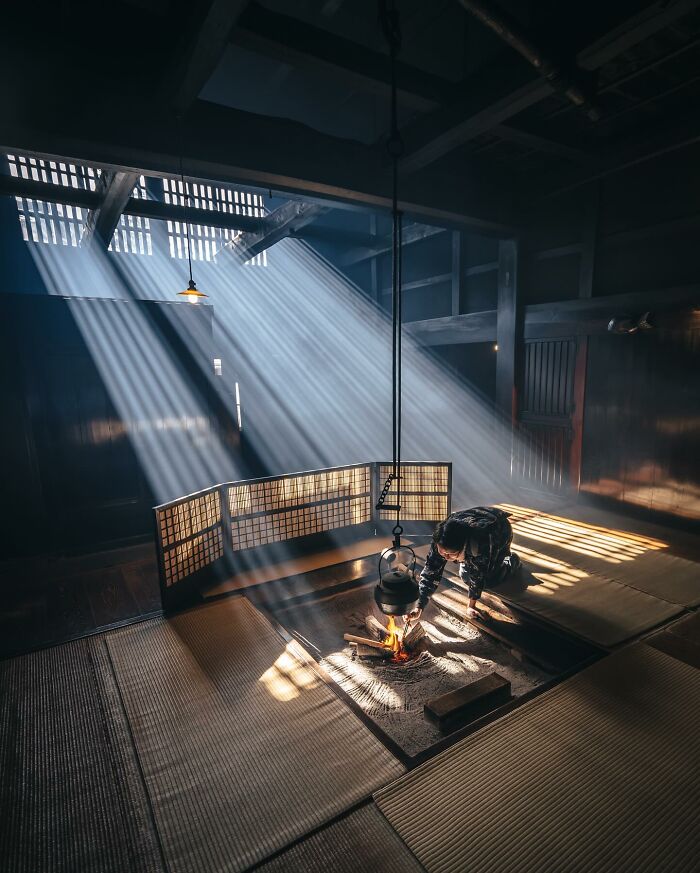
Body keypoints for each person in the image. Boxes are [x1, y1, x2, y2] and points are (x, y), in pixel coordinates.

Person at [406, 506, 520, 622]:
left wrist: (471, 606)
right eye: (442, 552)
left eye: (450, 554)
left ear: (463, 547)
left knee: (489, 579)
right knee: (465, 574)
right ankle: (463, 559)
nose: (445, 557)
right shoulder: (441, 538)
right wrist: (419, 606)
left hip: (499, 530)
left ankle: (512, 561)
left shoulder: (481, 543)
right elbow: (431, 571)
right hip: (475, 518)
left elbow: (479, 574)